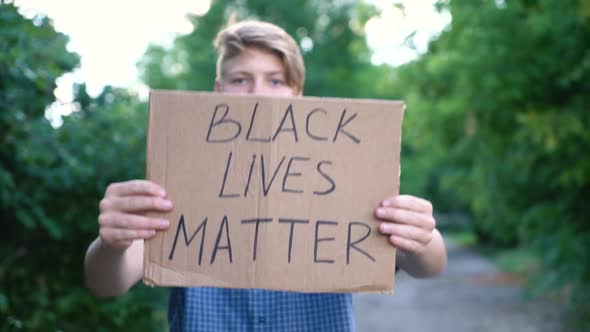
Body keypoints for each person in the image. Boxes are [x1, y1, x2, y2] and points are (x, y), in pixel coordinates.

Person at [84, 20, 447, 331]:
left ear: (297, 94)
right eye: (241, 79)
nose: (257, 94)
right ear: (218, 91)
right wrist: (112, 243)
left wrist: (420, 234)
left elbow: (428, 265)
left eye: (275, 81)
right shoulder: (178, 176)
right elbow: (105, 283)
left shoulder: (341, 176)